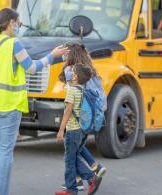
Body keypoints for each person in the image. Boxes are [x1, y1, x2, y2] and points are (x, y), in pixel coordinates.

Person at [0, 8, 68, 195]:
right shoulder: (14, 44)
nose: (19, 27)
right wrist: (53, 55)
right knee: (4, 152)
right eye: (18, 23)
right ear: (10, 23)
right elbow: (32, 67)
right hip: (8, 105)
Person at [59, 42, 107, 191]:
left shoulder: (71, 71)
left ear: (70, 54)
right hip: (92, 119)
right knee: (76, 150)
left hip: (76, 122)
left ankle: (88, 177)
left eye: (65, 53)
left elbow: (69, 104)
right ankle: (88, 172)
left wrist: (61, 128)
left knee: (70, 155)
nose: (63, 56)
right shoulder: (90, 71)